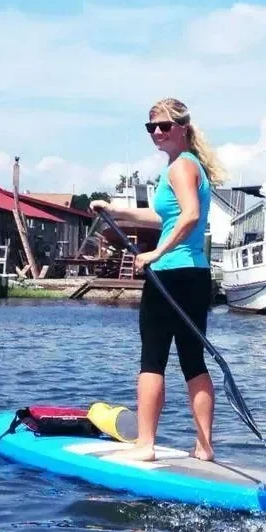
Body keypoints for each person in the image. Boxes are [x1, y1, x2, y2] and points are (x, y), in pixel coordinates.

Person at [90, 97, 227, 462]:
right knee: (193, 361)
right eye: (151, 127)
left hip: (170, 275)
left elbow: (190, 217)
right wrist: (115, 208)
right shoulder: (188, 165)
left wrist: (155, 254)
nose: (157, 133)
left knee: (152, 359)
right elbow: (163, 216)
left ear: (182, 128)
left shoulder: (180, 168)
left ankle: (146, 445)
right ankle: (204, 448)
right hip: (195, 275)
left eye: (164, 126)